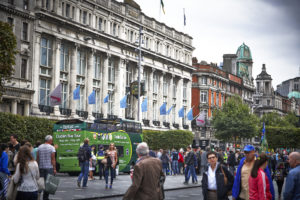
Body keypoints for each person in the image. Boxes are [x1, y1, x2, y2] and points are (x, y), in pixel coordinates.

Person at [37, 135, 56, 200]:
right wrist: (54, 168)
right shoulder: (52, 148)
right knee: (48, 184)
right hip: (49, 167)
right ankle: (45, 198)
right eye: (52, 140)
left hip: (41, 167)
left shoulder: (39, 147)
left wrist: (37, 167)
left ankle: (38, 196)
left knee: (40, 183)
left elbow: (38, 158)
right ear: (50, 140)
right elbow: (53, 159)